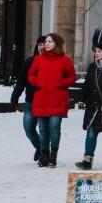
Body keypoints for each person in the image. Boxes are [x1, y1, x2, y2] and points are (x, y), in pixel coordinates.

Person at [26, 33, 76, 167]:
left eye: (50, 42)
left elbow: (72, 77)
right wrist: (37, 82)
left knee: (54, 127)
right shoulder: (39, 59)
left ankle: (53, 155)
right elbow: (30, 74)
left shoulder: (65, 60)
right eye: (46, 42)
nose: (46, 44)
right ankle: (44, 154)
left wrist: (61, 82)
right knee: (42, 129)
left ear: (57, 44)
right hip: (41, 98)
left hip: (57, 99)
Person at [11, 36, 47, 164]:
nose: (42, 47)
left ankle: (44, 153)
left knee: (44, 129)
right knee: (28, 128)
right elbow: (21, 81)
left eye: (45, 44)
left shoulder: (53, 62)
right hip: (30, 101)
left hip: (45, 102)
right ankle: (40, 147)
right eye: (40, 44)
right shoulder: (29, 62)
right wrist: (15, 97)